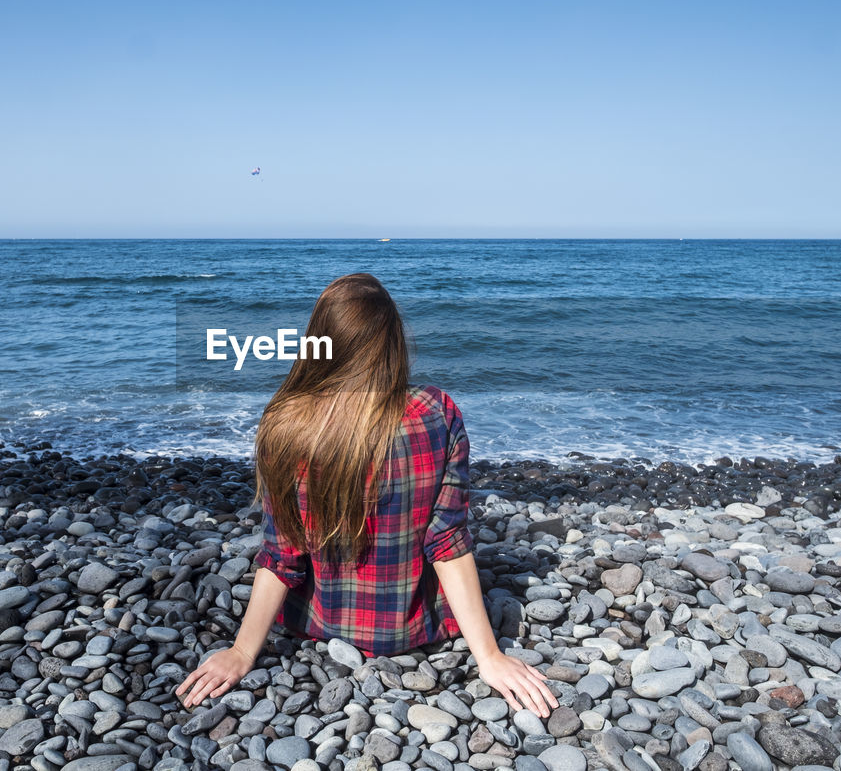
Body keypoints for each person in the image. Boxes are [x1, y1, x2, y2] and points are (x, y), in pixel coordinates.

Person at [176, 273, 558, 718]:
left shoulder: (285, 422)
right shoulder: (436, 413)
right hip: (416, 627)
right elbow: (447, 543)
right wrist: (489, 657)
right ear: (392, 341)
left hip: (320, 625)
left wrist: (243, 651)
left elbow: (282, 554)